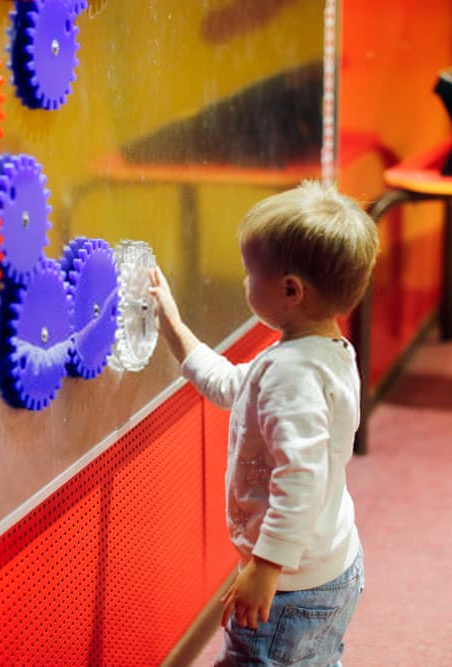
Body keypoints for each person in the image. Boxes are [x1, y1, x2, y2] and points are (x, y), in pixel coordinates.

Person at [148, 179, 380, 666]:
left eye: (251, 273)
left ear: (290, 290)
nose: (244, 282)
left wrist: (266, 567)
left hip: (292, 587)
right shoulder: (324, 351)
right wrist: (173, 325)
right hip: (333, 563)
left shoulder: (291, 374)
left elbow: (301, 477)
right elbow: (235, 386)